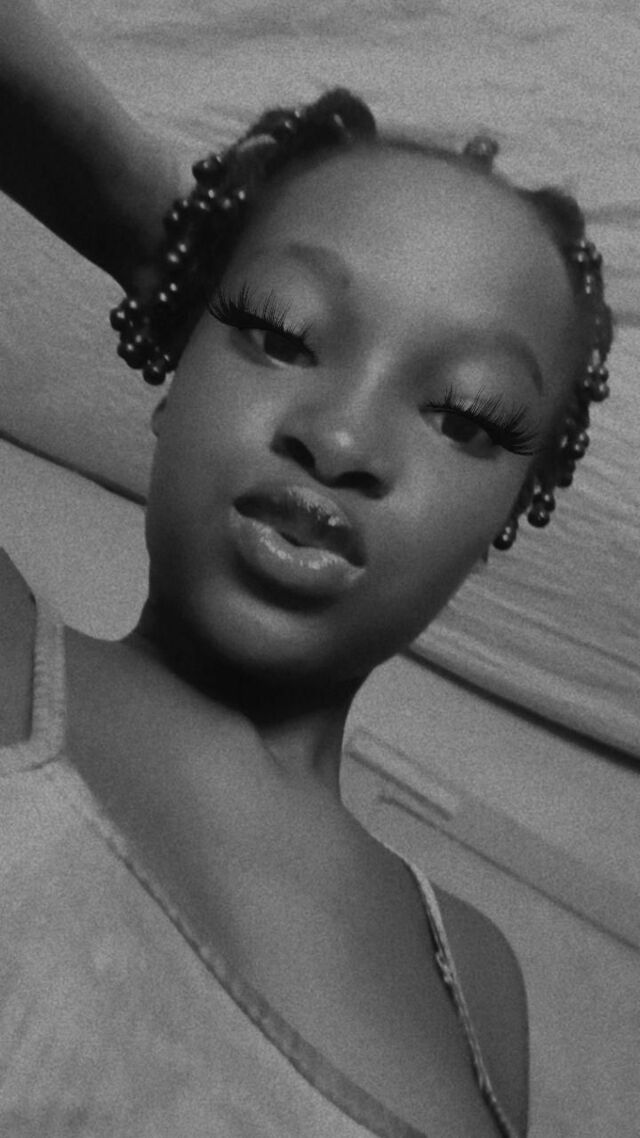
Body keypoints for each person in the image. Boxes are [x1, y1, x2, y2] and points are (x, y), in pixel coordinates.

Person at [0, 3, 614, 1137]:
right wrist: (163, 234)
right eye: (278, 331)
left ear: (503, 518)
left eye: (466, 414)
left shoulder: (478, 984)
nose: (338, 439)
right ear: (176, 367)